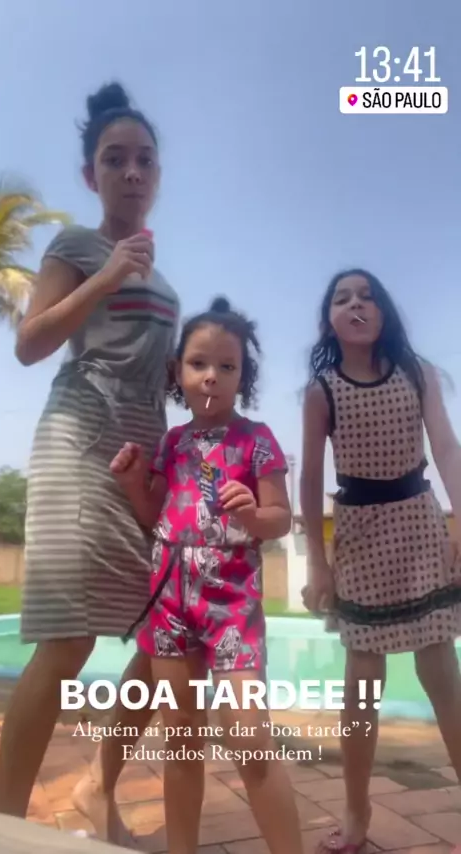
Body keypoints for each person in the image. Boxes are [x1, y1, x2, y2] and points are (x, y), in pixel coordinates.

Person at [0, 81, 180, 847]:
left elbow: (157, 371)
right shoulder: (75, 246)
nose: (131, 172)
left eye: (144, 159)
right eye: (114, 159)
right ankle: (1, 828)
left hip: (145, 458)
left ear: (157, 173)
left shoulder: (166, 283)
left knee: (168, 634)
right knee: (68, 640)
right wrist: (107, 274)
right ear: (90, 175)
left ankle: (97, 787)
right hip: (79, 443)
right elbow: (30, 343)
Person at [110, 296, 304, 854]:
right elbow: (154, 513)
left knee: (250, 741)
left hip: (231, 607)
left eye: (227, 365)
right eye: (199, 363)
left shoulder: (257, 439)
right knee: (182, 744)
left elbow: (279, 518)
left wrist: (253, 514)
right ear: (178, 372)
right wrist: (132, 483)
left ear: (243, 375)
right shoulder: (171, 443)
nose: (212, 376)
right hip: (170, 603)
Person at [300, 269, 461, 854]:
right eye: (342, 298)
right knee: (361, 686)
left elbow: (445, 446)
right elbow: (310, 479)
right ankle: (356, 810)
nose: (357, 304)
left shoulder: (418, 373)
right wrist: (317, 564)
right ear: (330, 322)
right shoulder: (321, 391)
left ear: (384, 311)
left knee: (441, 673)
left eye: (367, 296)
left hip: (418, 524)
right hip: (359, 534)